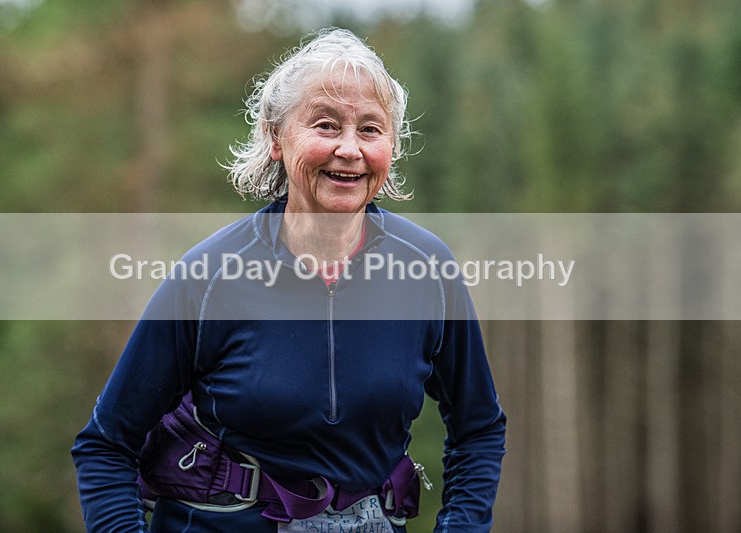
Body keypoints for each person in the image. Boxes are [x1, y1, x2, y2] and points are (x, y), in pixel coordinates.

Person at [72, 27, 506, 532]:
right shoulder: (209, 276)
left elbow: (478, 429)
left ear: (392, 145)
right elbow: (105, 443)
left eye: (370, 129)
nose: (350, 149)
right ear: (276, 137)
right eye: (325, 125)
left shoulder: (428, 269)